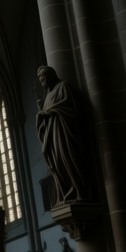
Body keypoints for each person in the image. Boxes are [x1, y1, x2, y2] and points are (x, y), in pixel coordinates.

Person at [36, 66, 90, 204]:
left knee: (68, 159)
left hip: (63, 133)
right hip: (51, 135)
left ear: (51, 75)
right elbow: (46, 115)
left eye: (44, 76)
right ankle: (67, 192)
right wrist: (42, 111)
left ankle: (79, 191)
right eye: (40, 77)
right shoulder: (47, 96)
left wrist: (49, 111)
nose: (42, 79)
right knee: (57, 163)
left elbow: (70, 105)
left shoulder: (63, 86)